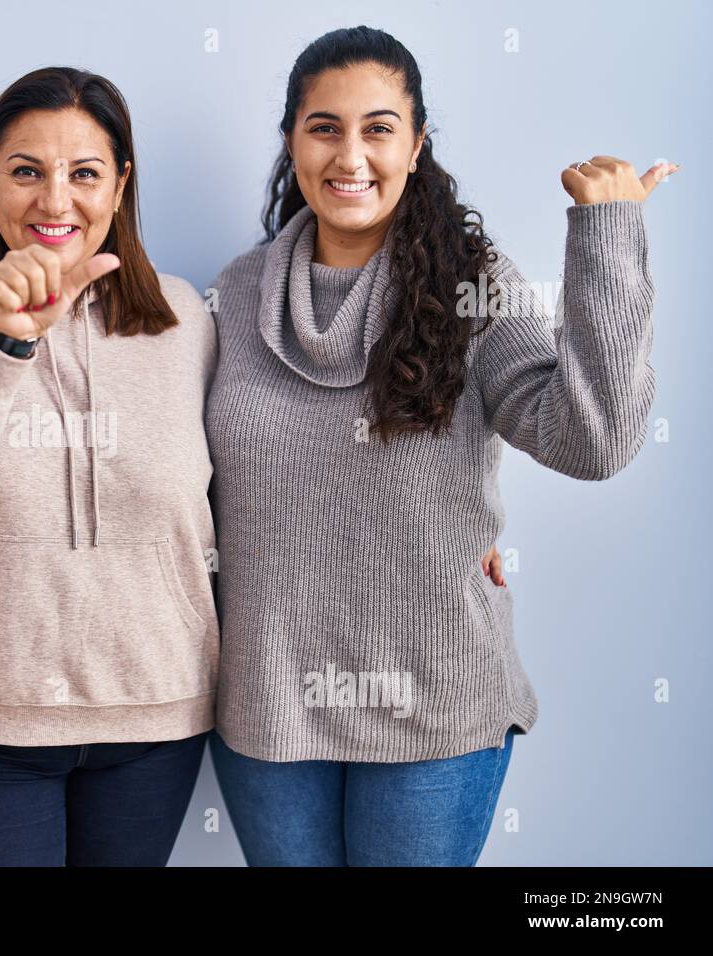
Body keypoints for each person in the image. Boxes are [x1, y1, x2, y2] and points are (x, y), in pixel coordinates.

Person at [205, 25, 674, 865]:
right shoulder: (234, 295)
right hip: (268, 706)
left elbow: (593, 440)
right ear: (291, 143)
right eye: (325, 127)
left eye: (379, 128)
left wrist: (606, 240)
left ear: (416, 145)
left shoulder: (473, 286)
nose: (352, 155)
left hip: (432, 701)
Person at [0, 67, 217, 866]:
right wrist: (1, 342)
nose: (55, 201)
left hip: (153, 713)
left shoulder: (189, 320)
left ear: (120, 187)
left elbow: (265, 467)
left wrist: (454, 530)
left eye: (84, 173)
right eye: (26, 171)